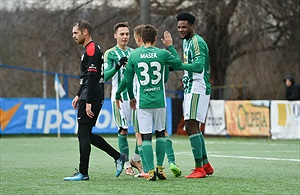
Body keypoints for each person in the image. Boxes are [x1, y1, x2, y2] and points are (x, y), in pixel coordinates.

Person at [116, 24, 182, 178]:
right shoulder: (162, 53)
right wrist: (170, 46)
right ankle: (160, 168)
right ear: (154, 38)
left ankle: (150, 171)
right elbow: (178, 64)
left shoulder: (134, 55)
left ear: (141, 39)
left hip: (143, 102)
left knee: (145, 137)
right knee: (160, 134)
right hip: (160, 101)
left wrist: (132, 98)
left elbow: (128, 78)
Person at [63, 19, 126, 181]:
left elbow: (92, 77)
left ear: (85, 32)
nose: (73, 36)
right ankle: (118, 156)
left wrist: (88, 100)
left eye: (76, 33)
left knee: (83, 134)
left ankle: (83, 173)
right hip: (89, 95)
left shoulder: (91, 50)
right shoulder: (93, 48)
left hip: (91, 97)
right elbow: (89, 76)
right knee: (86, 134)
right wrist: (78, 93)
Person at [162, 12, 214, 178]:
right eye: (179, 27)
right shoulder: (186, 42)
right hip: (191, 88)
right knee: (194, 126)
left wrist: (180, 66)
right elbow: (182, 64)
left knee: (190, 126)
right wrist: (171, 52)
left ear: (192, 26)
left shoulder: (197, 42)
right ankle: (205, 164)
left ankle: (199, 169)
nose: (181, 30)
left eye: (184, 26)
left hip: (198, 87)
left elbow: (198, 67)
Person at [104, 22, 142, 175]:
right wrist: (118, 66)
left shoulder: (134, 52)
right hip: (119, 98)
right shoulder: (110, 53)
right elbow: (105, 76)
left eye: (127, 34)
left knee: (142, 130)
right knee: (123, 130)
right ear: (115, 35)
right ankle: (126, 163)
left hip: (136, 97)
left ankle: (136, 159)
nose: (125, 37)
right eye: (122, 34)